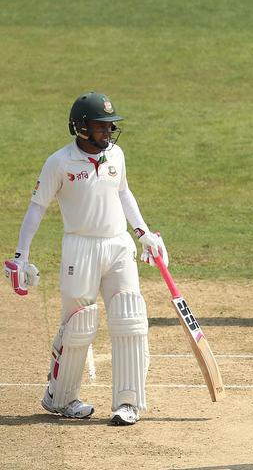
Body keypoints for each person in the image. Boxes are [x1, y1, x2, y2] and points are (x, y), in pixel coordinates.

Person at [4, 91, 168, 425]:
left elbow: (124, 193)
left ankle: (128, 403)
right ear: (80, 127)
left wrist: (144, 234)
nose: (107, 132)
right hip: (80, 248)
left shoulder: (116, 156)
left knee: (130, 319)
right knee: (79, 324)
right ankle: (61, 398)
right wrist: (21, 255)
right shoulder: (59, 163)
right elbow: (37, 208)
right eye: (100, 126)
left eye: (110, 126)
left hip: (119, 245)